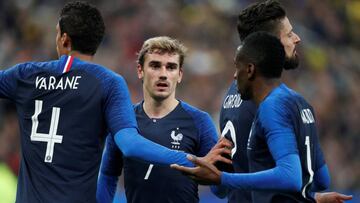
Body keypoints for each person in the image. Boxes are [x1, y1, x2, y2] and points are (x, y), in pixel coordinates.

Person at [0, 2, 221, 202]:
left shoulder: (26, 75)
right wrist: (190, 158)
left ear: (64, 39)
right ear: (97, 43)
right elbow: (130, 144)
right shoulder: (107, 82)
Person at [172, 31, 332, 202]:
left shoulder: (270, 107)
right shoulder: (301, 103)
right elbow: (321, 179)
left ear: (250, 69)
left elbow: (290, 176)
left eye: (237, 67)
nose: (234, 76)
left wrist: (222, 178)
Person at [218, 1, 352, 202]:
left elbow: (219, 189)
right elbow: (308, 177)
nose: (297, 39)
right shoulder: (273, 101)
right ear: (270, 44)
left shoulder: (231, 95)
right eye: (289, 34)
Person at [97, 36, 231, 203]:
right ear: (140, 70)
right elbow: (108, 174)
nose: (163, 74)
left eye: (171, 67)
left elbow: (220, 191)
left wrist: (225, 169)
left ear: (180, 74)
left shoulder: (199, 120)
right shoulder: (123, 120)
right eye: (155, 66)